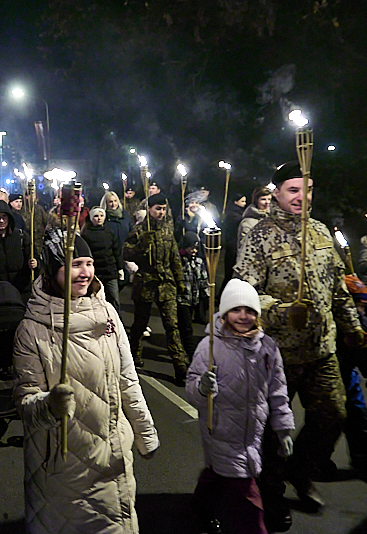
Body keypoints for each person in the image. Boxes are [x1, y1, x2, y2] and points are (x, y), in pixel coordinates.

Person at [233, 161, 365, 528]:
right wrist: (281, 311)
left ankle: (300, 469)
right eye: (293, 190)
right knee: (276, 429)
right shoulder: (259, 235)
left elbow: (337, 287)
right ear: (276, 193)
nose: (302, 197)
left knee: (333, 415)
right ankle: (271, 491)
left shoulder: (320, 231)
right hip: (277, 355)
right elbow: (243, 294)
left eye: (307, 190)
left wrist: (353, 326)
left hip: (321, 350)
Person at [12, 227, 160, 534]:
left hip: (113, 455)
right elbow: (26, 403)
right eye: (75, 264)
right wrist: (49, 405)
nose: (85, 273)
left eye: (89, 264)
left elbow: (127, 378)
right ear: (53, 271)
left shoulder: (107, 313)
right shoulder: (31, 329)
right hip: (61, 467)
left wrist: (145, 433)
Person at [186, 279, 294, 534]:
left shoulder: (267, 347)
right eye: (235, 309)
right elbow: (192, 390)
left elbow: (278, 390)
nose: (243, 316)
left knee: (219, 474)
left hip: (252, 432)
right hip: (221, 430)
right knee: (246, 496)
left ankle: (201, 507)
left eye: (249, 310)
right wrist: (202, 388)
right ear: (224, 313)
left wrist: (283, 428)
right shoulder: (210, 347)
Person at [123, 193, 188, 384]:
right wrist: (142, 245)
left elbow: (174, 257)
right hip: (145, 282)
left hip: (165, 283)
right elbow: (126, 253)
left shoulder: (168, 229)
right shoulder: (140, 230)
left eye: (163, 209)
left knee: (172, 325)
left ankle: (180, 366)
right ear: (149, 209)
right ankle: (134, 354)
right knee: (140, 323)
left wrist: (180, 280)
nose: (161, 212)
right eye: (157, 209)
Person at [324, 275, 367, 479]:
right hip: (328, 373)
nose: (360, 310)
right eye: (357, 305)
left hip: (349, 375)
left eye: (364, 306)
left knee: (357, 414)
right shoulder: (329, 325)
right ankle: (317, 460)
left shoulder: (362, 326)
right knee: (329, 418)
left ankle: (363, 455)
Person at [81, 206, 123, 311]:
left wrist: (120, 268)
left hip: (110, 270)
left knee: (114, 299)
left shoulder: (109, 232)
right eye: (96, 216)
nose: (99, 218)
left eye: (101, 215)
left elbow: (116, 251)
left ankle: (115, 318)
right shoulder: (86, 234)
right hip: (95, 272)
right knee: (94, 299)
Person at [177, 232, 209, 360]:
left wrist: (206, 294)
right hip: (182, 299)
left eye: (196, 247)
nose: (194, 250)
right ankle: (190, 354)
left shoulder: (198, 261)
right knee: (187, 328)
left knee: (186, 326)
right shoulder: (179, 261)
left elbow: (203, 279)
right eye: (191, 247)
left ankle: (184, 349)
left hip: (193, 299)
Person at [219, 191, 247, 296]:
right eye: (242, 201)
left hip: (233, 245)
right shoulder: (234, 215)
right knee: (230, 273)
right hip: (233, 246)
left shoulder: (238, 213)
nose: (245, 204)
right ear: (236, 202)